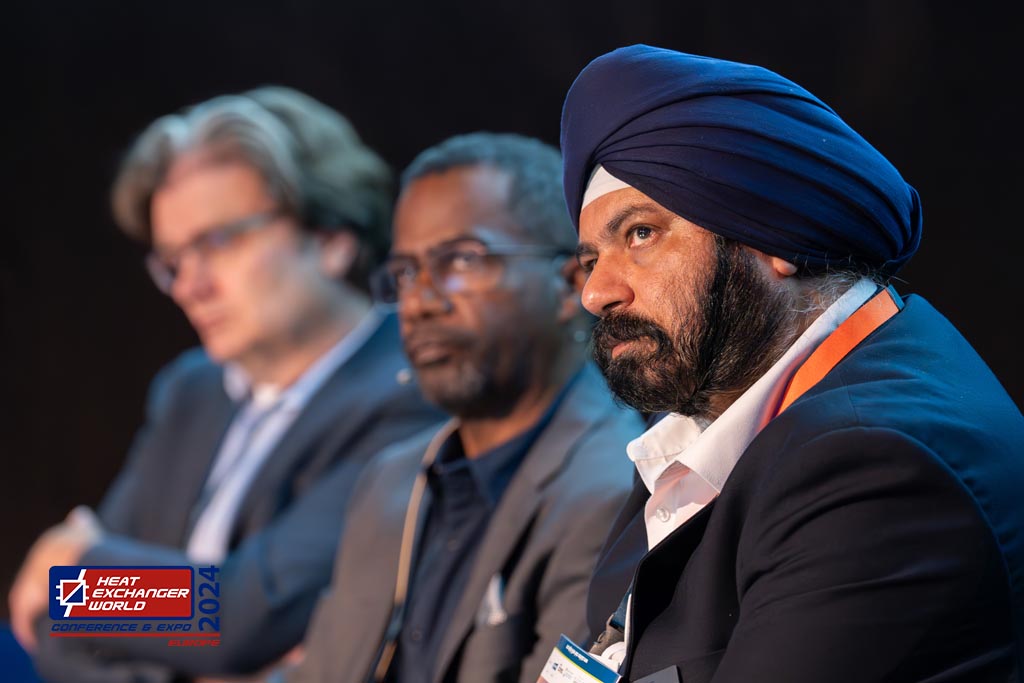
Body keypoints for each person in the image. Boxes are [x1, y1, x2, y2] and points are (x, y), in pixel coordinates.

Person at [559, 45, 1024, 682]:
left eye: (640, 233)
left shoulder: (873, 466)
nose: (596, 293)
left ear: (773, 235)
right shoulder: (709, 434)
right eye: (590, 261)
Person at [8, 86, 444, 682]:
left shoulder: (410, 391)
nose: (191, 286)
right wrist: (89, 592)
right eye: (172, 261)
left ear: (331, 238)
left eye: (217, 242)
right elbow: (57, 628)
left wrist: (80, 575)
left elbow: (236, 617)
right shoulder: (190, 390)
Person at [287, 132, 644, 683]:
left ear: (569, 284)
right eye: (405, 273)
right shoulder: (388, 478)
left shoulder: (616, 490)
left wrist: (133, 592)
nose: (419, 302)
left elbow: (238, 607)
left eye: (460, 260)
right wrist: (133, 601)